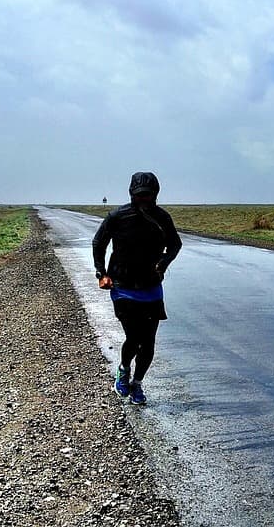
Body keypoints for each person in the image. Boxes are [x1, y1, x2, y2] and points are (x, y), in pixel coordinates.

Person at [91, 171, 182, 405]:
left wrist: (163, 263)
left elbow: (175, 244)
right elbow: (98, 242)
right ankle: (123, 369)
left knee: (148, 342)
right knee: (134, 337)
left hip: (151, 287)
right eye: (139, 195)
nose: (144, 200)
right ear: (132, 194)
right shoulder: (117, 216)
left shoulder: (162, 218)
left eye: (148, 196)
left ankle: (137, 383)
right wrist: (102, 273)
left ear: (155, 195)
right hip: (123, 286)